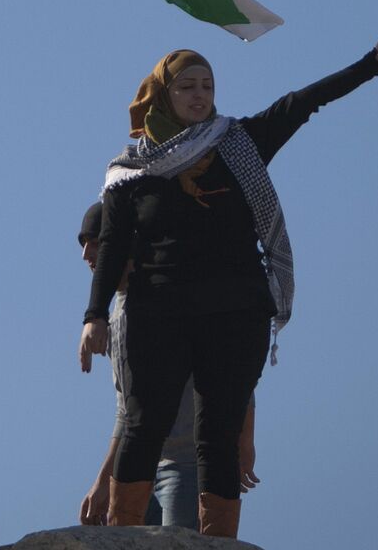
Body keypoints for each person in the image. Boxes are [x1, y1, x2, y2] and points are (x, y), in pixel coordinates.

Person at [78, 28, 378, 537]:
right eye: (187, 86)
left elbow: (302, 103)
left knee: (218, 433)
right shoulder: (128, 175)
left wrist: (373, 63)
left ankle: (217, 542)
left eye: (207, 85)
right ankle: (124, 537)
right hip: (156, 313)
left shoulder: (238, 144)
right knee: (145, 425)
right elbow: (114, 249)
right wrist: (94, 317)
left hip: (234, 313)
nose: (200, 95)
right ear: (164, 95)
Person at [75, 203, 256, 530]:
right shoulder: (117, 313)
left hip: (187, 468)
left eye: (96, 241)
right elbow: (127, 412)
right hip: (141, 468)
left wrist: (243, 442)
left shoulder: (168, 299)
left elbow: (229, 373)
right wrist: (106, 480)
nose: (86, 254)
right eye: (83, 243)